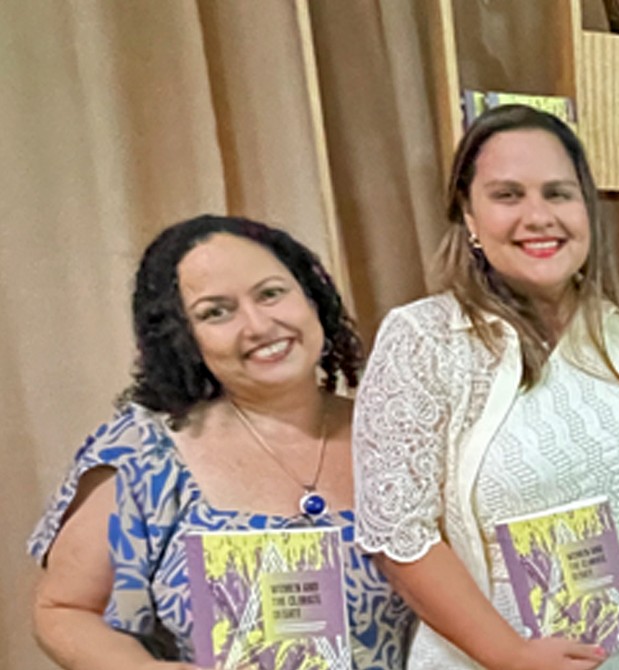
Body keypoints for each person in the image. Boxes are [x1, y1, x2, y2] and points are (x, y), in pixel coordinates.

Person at [351, 104, 619, 670]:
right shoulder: (424, 341)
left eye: (558, 193)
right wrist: (508, 653)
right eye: (508, 195)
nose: (539, 216)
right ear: (468, 216)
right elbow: (400, 536)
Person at [28, 215, 412, 669]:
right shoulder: (143, 456)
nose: (258, 325)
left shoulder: (399, 432)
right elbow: (65, 611)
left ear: (312, 299)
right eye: (216, 312)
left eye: (271, 294)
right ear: (184, 339)